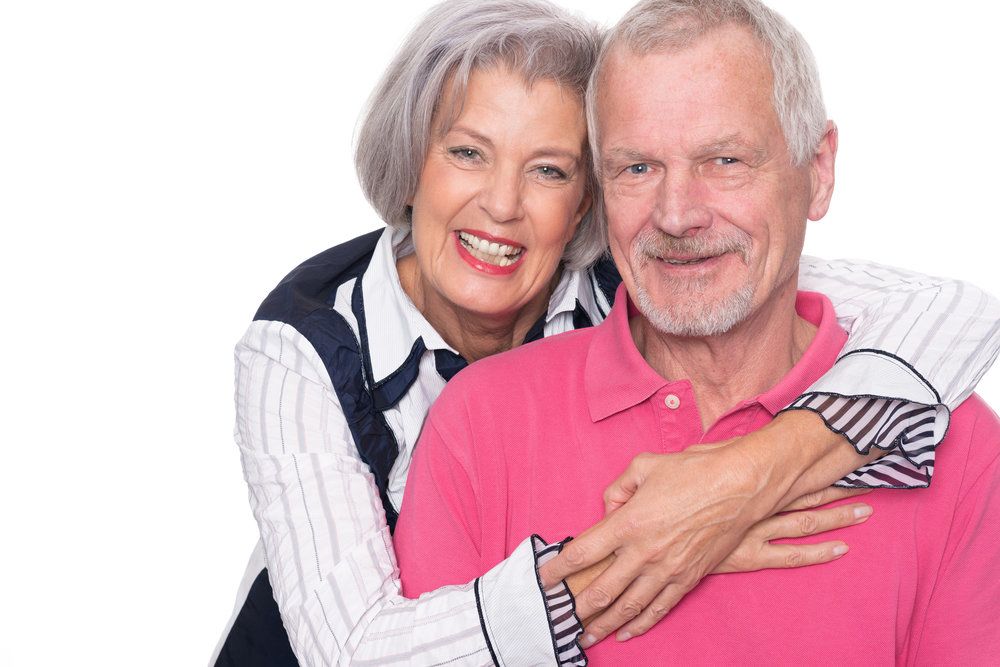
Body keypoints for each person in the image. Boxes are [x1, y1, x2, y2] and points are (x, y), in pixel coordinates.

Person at [214, 1, 1000, 665]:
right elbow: (353, 650)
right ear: (410, 161)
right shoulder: (305, 349)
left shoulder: (644, 272)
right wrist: (657, 545)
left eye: (550, 169)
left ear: (584, 200)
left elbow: (948, 311)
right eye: (465, 152)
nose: (501, 204)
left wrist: (745, 478)